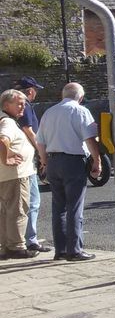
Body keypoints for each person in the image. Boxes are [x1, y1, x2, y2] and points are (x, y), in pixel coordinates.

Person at [35, 82, 101, 262]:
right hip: (73, 161)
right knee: (74, 206)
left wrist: (44, 162)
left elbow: (40, 142)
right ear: (80, 97)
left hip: (53, 161)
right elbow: (90, 138)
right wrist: (97, 160)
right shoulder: (80, 111)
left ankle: (61, 250)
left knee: (59, 208)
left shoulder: (49, 112)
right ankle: (75, 250)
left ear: (62, 95)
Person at [14, 77, 52, 252]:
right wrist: (41, 152)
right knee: (33, 201)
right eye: (35, 90)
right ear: (30, 90)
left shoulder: (10, 108)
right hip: (26, 160)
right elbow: (28, 130)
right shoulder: (25, 106)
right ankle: (31, 240)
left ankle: (18, 239)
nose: (35, 93)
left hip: (18, 159)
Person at [0, 89, 39, 259]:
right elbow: (3, 139)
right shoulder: (7, 122)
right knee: (17, 210)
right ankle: (16, 247)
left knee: (7, 211)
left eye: (24, 104)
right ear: (7, 105)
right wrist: (6, 159)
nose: (23, 107)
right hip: (15, 175)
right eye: (19, 104)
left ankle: (7, 246)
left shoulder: (7, 120)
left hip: (10, 175)